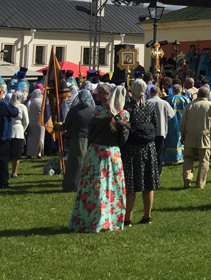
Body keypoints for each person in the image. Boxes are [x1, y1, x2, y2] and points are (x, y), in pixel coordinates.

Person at [69, 85, 130, 233]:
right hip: (112, 152)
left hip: (95, 151)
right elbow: (124, 137)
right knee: (111, 186)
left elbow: (92, 130)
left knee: (93, 185)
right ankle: (109, 218)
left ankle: (86, 219)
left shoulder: (99, 110)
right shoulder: (124, 114)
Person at [123, 80, 160, 226]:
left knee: (131, 184)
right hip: (148, 147)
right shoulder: (150, 106)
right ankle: (147, 215)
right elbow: (155, 125)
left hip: (132, 148)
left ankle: (128, 218)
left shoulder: (128, 108)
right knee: (148, 183)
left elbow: (124, 128)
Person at [180, 84, 211, 189]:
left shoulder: (190, 105)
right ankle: (200, 183)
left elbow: (183, 122)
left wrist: (182, 135)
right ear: (208, 95)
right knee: (204, 160)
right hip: (205, 136)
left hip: (190, 135)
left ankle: (187, 176)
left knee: (188, 157)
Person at [58, 87, 96, 192]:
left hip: (77, 139)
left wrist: (58, 126)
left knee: (75, 163)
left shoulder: (75, 110)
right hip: (92, 138)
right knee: (90, 162)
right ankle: (88, 183)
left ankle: (72, 185)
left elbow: (66, 126)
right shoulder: (95, 109)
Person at [0, 83, 20, 189]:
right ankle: (3, 183)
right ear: (1, 92)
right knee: (3, 161)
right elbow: (15, 113)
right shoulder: (3, 103)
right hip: (1, 136)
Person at [145, 85, 175, 175]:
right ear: (159, 93)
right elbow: (171, 115)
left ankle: (148, 170)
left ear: (150, 93)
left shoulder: (146, 103)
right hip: (160, 131)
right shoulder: (164, 103)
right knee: (158, 153)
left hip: (148, 131)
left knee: (148, 153)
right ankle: (158, 171)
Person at [8, 88, 29, 179]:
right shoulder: (22, 107)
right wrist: (23, 129)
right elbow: (26, 121)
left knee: (7, 153)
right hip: (18, 131)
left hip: (8, 131)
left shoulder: (8, 105)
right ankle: (14, 172)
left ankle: (6, 171)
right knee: (16, 154)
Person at [26, 87, 46, 158]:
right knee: (40, 138)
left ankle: (30, 153)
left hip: (32, 121)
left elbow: (28, 111)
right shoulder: (42, 101)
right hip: (40, 121)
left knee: (31, 138)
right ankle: (39, 153)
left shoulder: (30, 101)